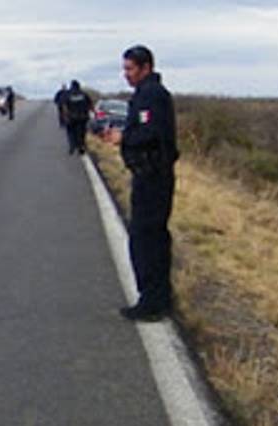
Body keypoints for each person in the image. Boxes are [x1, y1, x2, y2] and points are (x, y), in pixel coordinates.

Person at [101, 45, 178, 322]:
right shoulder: (144, 94)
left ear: (146, 67)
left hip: (154, 177)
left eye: (130, 69)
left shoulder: (152, 95)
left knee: (147, 240)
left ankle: (153, 302)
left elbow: (152, 133)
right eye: (125, 69)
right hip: (148, 176)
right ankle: (158, 297)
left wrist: (124, 138)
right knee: (149, 237)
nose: (126, 74)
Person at [62, 79, 92, 155]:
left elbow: (64, 106)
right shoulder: (84, 94)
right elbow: (90, 104)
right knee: (81, 133)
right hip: (83, 117)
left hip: (72, 117)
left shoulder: (68, 94)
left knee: (71, 133)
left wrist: (66, 116)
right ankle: (81, 146)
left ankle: (72, 146)